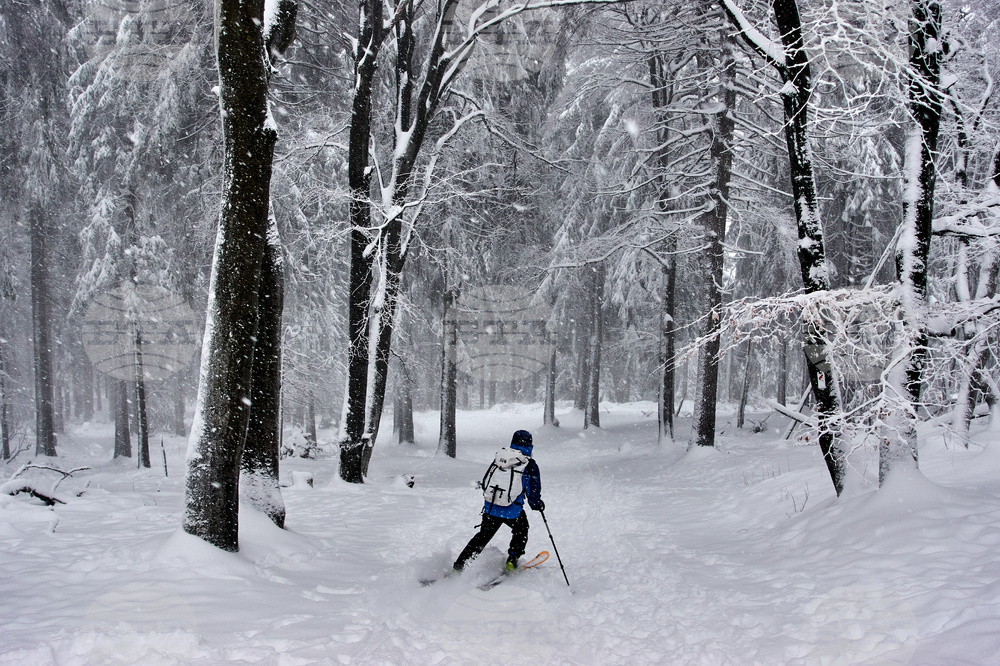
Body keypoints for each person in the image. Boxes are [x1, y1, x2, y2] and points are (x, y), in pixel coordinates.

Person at [453, 430, 545, 572]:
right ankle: (512, 561)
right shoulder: (529, 465)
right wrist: (537, 504)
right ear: (530, 444)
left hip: (491, 507)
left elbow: (487, 481)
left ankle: (459, 567)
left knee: (482, 537)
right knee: (521, 529)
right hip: (512, 511)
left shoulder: (501, 457)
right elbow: (533, 494)